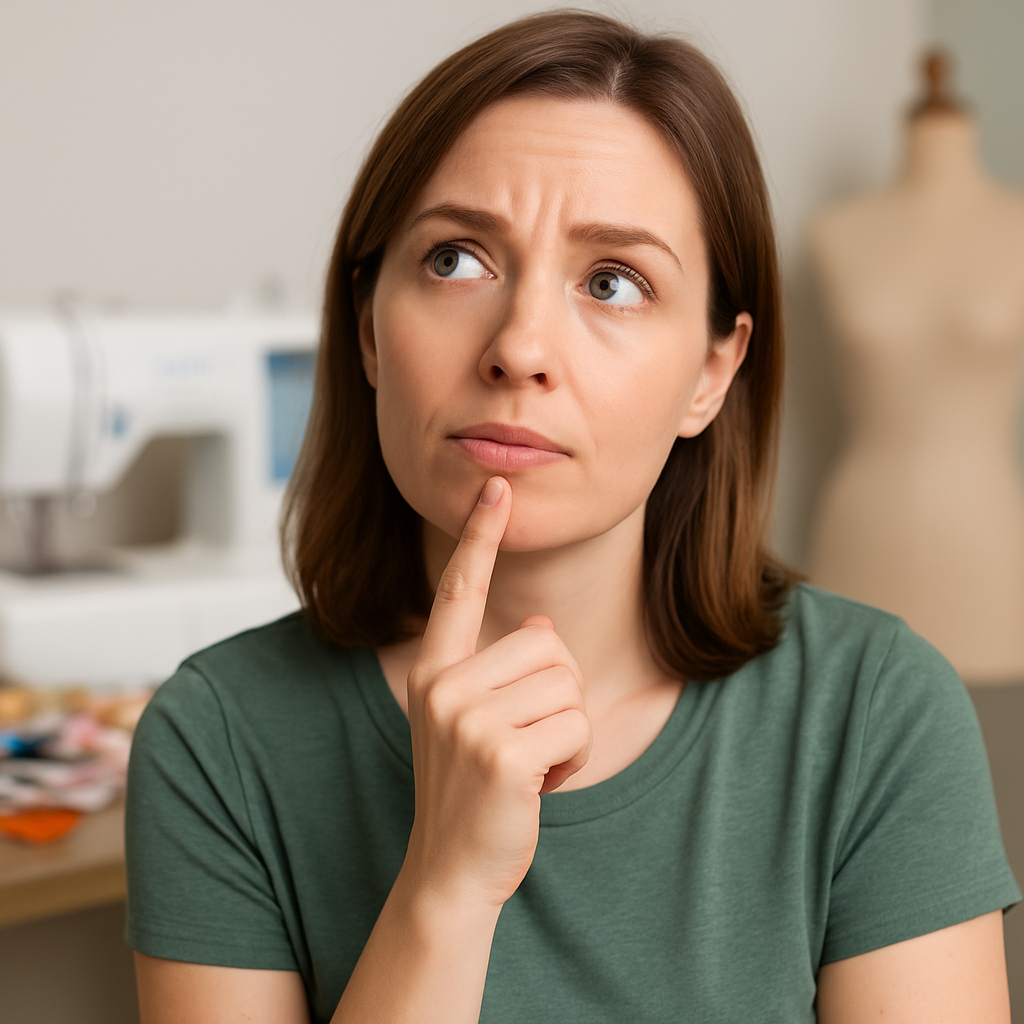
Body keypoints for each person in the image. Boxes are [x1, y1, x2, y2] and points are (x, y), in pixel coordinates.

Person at [124, 11, 1020, 1023]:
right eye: (456, 259)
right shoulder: (216, 740)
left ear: (711, 374)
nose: (519, 347)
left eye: (612, 281)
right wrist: (445, 888)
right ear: (367, 327)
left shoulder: (873, 713)